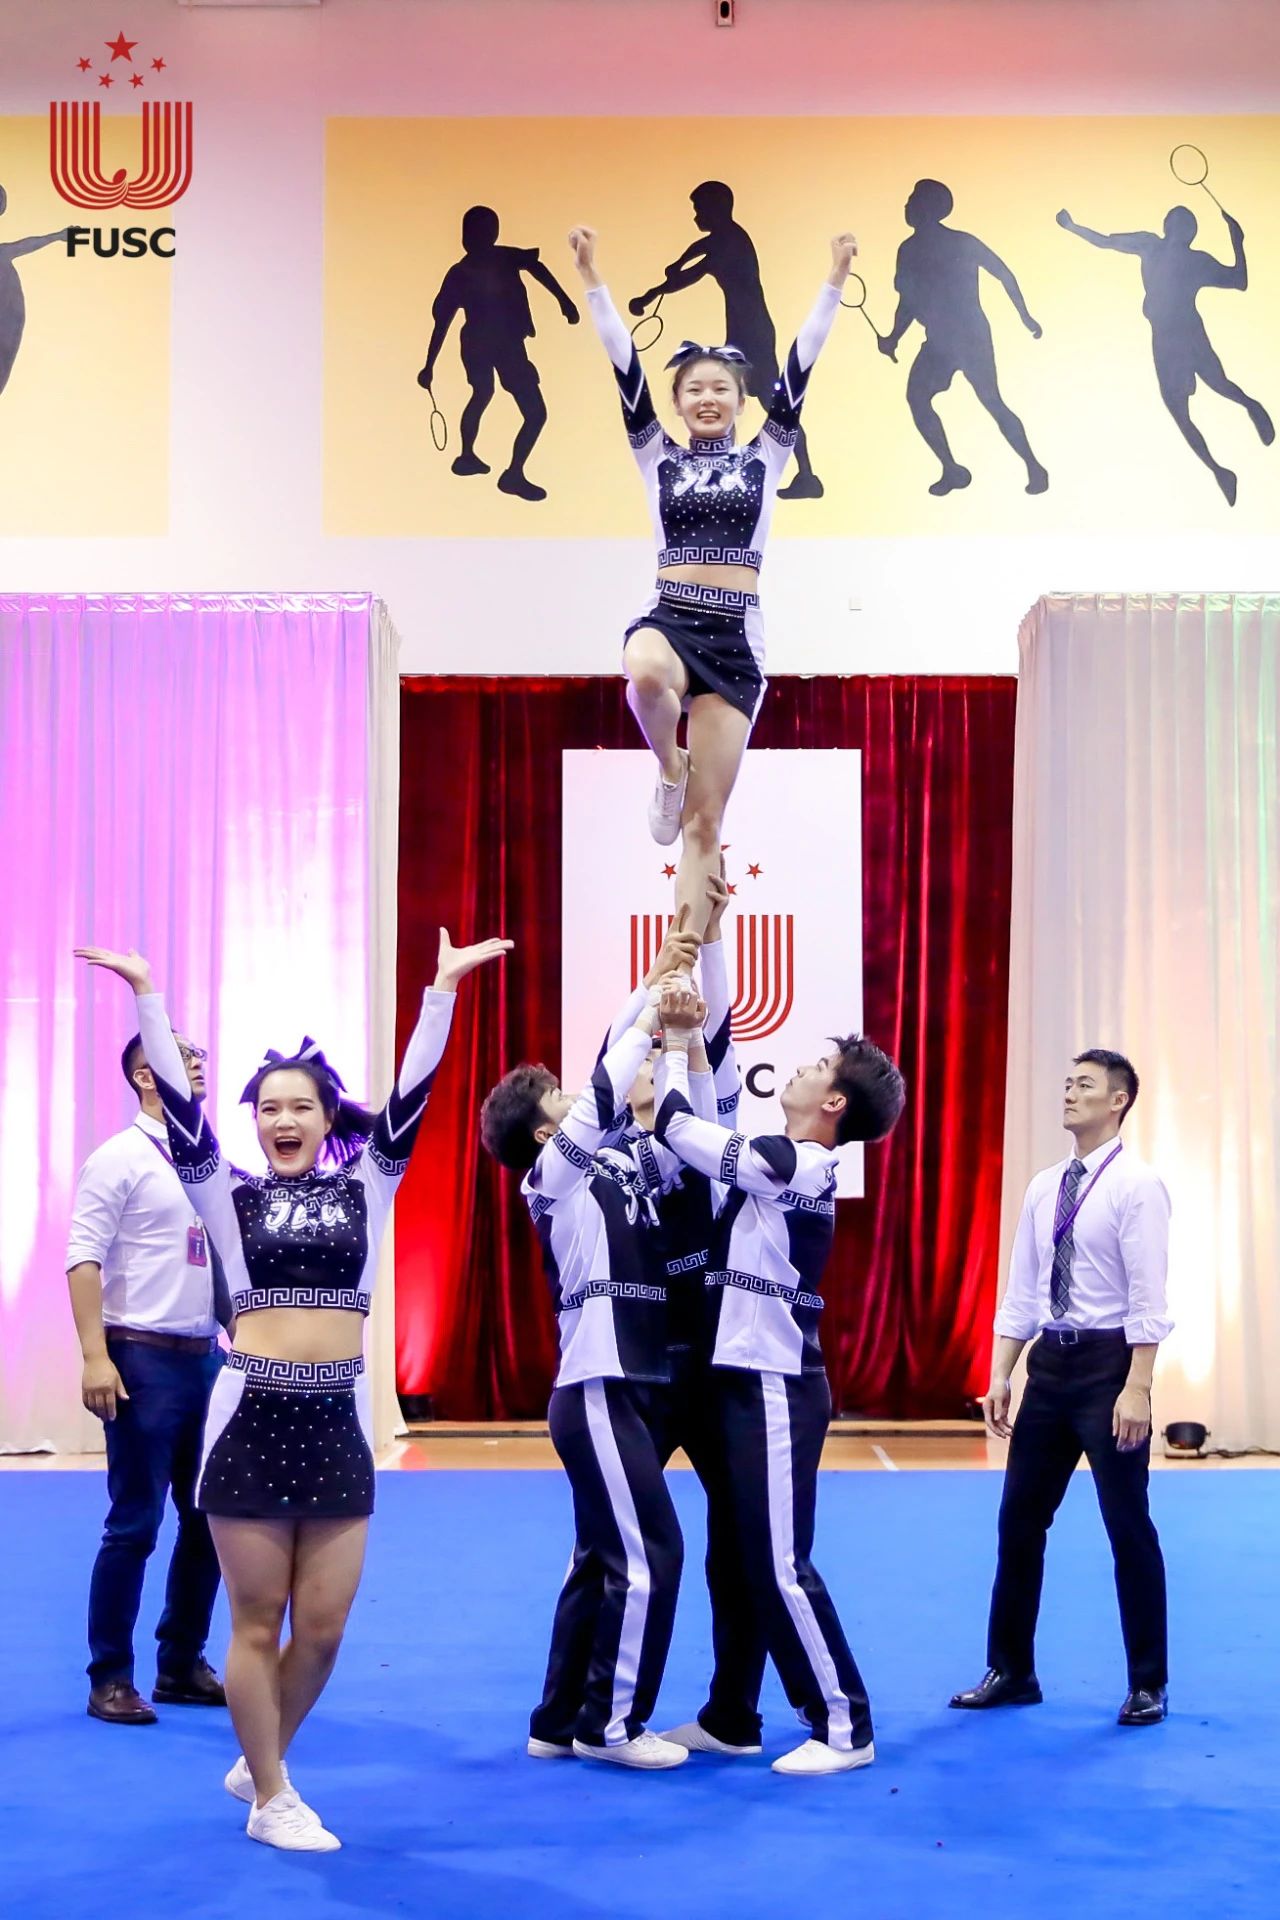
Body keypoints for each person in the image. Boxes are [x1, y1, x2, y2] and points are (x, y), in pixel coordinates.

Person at [74, 930, 511, 1849]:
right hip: (250, 1418)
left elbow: (413, 1099)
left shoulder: (369, 1186)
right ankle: (272, 1795)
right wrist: (147, 994)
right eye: (268, 1106)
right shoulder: (222, 1193)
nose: (282, 1118)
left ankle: (258, 1750)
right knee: (254, 1621)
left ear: (324, 1117)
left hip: (336, 1421)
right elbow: (181, 1111)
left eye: (299, 1106)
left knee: (321, 1629)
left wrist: (440, 993)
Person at [567, 222, 856, 930]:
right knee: (643, 674)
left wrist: (835, 280)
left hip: (733, 638)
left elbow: (802, 363)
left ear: (740, 400)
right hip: (669, 617)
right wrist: (592, 278)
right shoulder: (655, 456)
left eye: (721, 388)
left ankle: (682, 962)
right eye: (693, 388)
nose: (707, 397)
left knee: (704, 826)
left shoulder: (768, 455)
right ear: (676, 402)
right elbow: (624, 366)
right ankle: (670, 767)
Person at [655, 981, 905, 1775]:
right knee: (733, 1558)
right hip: (741, 1380)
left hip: (776, 1384)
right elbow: (713, 1094)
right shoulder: (774, 1160)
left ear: (834, 1102)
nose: (797, 1069)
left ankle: (845, 1724)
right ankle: (732, 1715)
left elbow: (677, 1125)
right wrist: (700, 994)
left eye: (815, 1066)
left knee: (778, 1561)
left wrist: (670, 1044)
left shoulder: (801, 1164)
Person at [479, 916, 703, 1771]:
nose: (577, 1096)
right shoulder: (555, 1176)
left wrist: (665, 1011)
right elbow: (609, 1078)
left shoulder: (619, 1164)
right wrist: (646, 1013)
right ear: (546, 1134)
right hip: (598, 1385)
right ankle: (610, 1726)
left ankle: (556, 1718)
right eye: (559, 1101)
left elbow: (675, 1135)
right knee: (650, 1556)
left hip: (632, 1383)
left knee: (600, 1557)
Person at [950, 1050, 1173, 1727]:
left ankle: (1148, 1682)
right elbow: (1022, 1289)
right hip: (1050, 1366)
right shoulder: (1044, 1186)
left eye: (1085, 1085)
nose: (1069, 1093)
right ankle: (1011, 1670)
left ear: (1119, 1101)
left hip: (1109, 1368)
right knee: (1019, 1521)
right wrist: (1001, 1372)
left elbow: (1148, 1296)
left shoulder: (1137, 1185)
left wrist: (1137, 1387)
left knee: (1127, 1524)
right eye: (1067, 1082)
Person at [67, 1027, 230, 1727]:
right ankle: (109, 1676)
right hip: (141, 1357)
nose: (197, 1064)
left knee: (210, 1519)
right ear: (143, 1075)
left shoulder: (205, 1158)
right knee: (134, 1523)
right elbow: (82, 1257)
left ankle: (180, 1663)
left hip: (206, 1358)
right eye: (182, 1056)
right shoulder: (118, 1158)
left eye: (196, 1055)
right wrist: (94, 1355)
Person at [1057, 202, 1273, 506]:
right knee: (1181, 410)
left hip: (1185, 331)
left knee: (1216, 385)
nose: (1179, 227)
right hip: (1165, 338)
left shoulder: (1187, 258)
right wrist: (1072, 226)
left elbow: (1239, 281)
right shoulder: (1151, 246)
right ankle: (1220, 470)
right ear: (1171, 226)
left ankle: (1251, 407)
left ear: (1185, 231)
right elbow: (1105, 241)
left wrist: (1238, 241)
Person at [629, 180, 826, 498]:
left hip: (752, 335)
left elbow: (697, 270)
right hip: (745, 332)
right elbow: (701, 248)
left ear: (717, 209)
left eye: (699, 210)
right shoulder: (728, 236)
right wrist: (678, 262)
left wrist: (651, 294)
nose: (696, 216)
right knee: (736, 402)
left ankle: (801, 475)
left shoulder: (729, 244)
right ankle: (736, 476)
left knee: (763, 405)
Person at [879, 179, 1048, 497]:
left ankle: (1032, 466)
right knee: (923, 398)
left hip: (967, 335)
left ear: (926, 207)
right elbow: (910, 302)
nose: (907, 205)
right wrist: (894, 337)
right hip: (945, 339)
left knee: (990, 401)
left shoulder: (945, 245)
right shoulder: (916, 249)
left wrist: (1025, 316)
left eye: (912, 199)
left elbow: (1003, 273)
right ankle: (953, 469)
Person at [418, 204, 580, 502]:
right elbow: (442, 321)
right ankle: (507, 471)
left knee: (484, 394)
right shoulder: (476, 267)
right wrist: (429, 365)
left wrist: (563, 300)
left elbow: (535, 267)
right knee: (533, 412)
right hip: (500, 343)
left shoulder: (477, 267)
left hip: (481, 342)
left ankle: (471, 458)